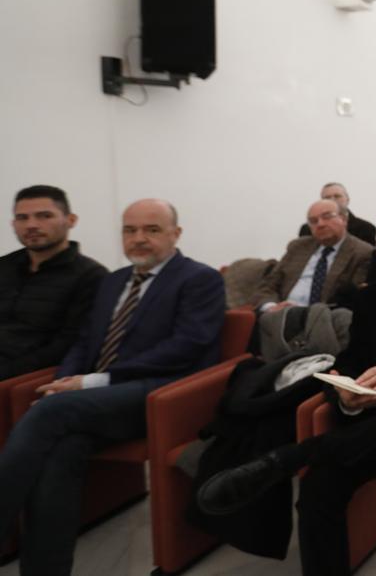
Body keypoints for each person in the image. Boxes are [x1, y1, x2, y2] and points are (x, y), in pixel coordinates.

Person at [196, 208, 376, 575]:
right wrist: (345, 396)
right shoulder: (373, 297)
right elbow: (351, 360)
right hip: (374, 426)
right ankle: (298, 460)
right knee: (318, 488)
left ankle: (290, 457)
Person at [0, 199, 224, 576]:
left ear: (175, 234)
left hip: (158, 394)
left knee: (50, 412)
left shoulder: (199, 279)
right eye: (129, 230)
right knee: (62, 449)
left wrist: (91, 382)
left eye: (151, 230)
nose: (139, 239)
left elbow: (185, 346)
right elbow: (85, 342)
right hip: (97, 401)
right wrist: (63, 380)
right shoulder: (113, 282)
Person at [1, 185, 108, 380]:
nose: (31, 225)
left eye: (44, 216)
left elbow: (68, 344)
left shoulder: (91, 276)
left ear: (70, 220)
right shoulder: (4, 266)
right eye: (22, 218)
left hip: (24, 375)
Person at [254, 199, 373, 312]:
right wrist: (271, 307)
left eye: (327, 217)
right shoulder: (297, 247)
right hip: (281, 314)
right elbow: (268, 286)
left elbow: (352, 299)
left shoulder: (362, 253)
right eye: (313, 221)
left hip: (323, 317)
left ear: (344, 219)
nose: (320, 224)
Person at [297, 182, 376, 245]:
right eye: (327, 197)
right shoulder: (307, 229)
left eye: (337, 196)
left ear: (347, 199)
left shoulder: (366, 229)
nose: (332, 200)